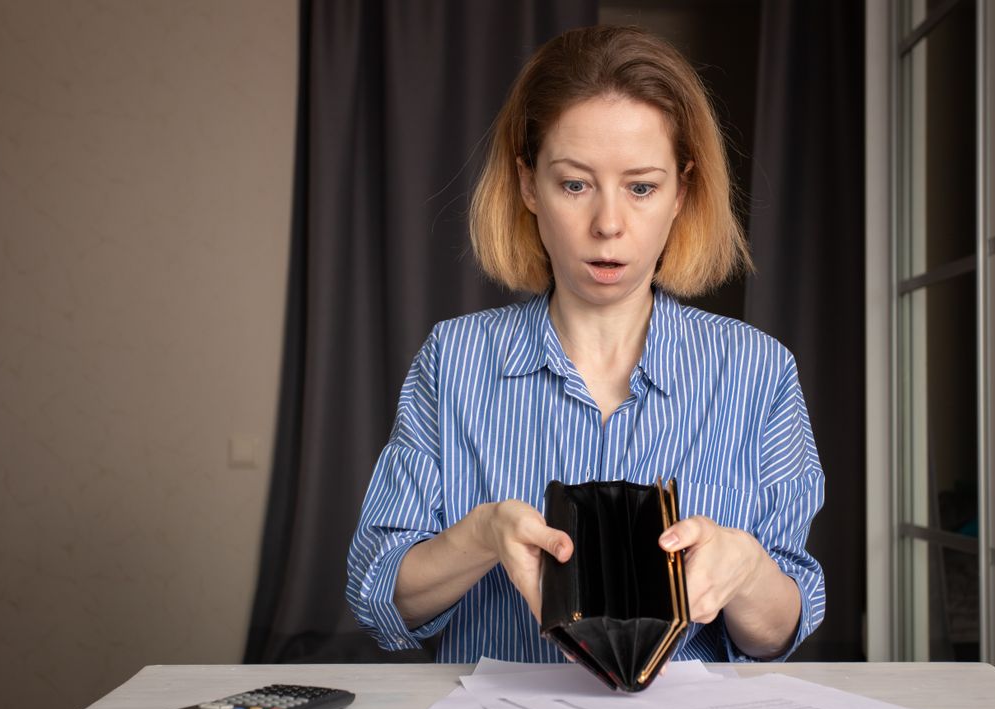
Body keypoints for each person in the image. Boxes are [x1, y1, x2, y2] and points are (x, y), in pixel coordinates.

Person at [346, 25, 824, 663]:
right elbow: (378, 595)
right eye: (575, 184)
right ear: (527, 186)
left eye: (642, 187)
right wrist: (482, 535)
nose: (608, 224)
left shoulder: (759, 372)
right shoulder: (453, 360)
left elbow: (778, 633)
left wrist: (747, 569)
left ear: (682, 192)